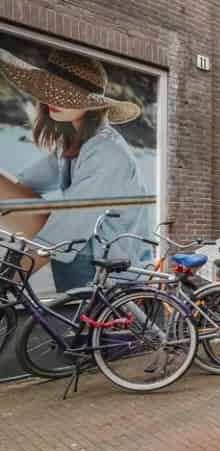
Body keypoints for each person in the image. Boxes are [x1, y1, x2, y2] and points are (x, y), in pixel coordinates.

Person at [0, 48, 149, 291]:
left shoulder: (108, 152)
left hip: (103, 266)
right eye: (50, 91)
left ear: (91, 105)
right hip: (78, 254)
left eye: (67, 95)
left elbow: (68, 229)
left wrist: (11, 279)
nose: (52, 100)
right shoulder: (72, 143)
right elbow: (23, 185)